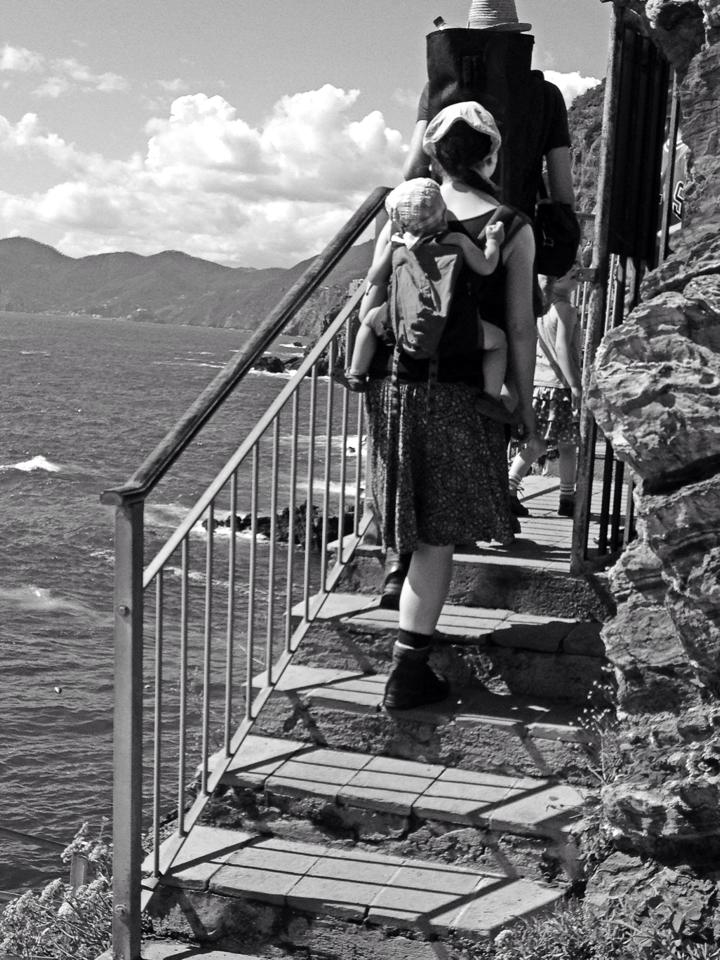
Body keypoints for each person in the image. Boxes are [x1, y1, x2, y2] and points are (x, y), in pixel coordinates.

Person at [363, 101, 537, 710]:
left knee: (408, 509)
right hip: (460, 395)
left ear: (432, 157)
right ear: (492, 156)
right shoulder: (510, 226)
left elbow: (373, 305)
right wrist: (525, 410)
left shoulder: (401, 218)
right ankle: (407, 671)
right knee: (438, 537)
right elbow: (518, 328)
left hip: (394, 389)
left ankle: (393, 570)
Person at [346, 177, 509, 419]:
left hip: (399, 321)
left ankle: (356, 373)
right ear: (442, 213)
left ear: (400, 221)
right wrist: (494, 242)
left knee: (369, 320)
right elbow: (486, 267)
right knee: (499, 342)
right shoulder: (457, 240)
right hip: (452, 326)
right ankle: (490, 397)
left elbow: (376, 278)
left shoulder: (397, 245)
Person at [403, 0, 575, 216]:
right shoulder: (546, 95)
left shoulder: (438, 88)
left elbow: (412, 171)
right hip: (515, 227)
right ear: (516, 41)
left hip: (448, 226)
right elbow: (562, 193)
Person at [508, 266, 582, 518]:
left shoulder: (540, 309)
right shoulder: (566, 310)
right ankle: (567, 497)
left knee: (536, 443)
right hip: (559, 386)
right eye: (571, 269)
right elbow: (562, 348)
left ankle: (509, 487)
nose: (578, 272)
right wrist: (575, 384)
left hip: (539, 385)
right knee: (568, 445)